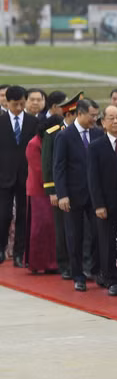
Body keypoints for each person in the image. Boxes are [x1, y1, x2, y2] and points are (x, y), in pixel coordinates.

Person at [54, 98, 103, 290]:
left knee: (99, 234)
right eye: (92, 115)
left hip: (95, 194)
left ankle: (96, 269)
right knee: (75, 235)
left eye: (96, 115)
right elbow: (59, 167)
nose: (94, 119)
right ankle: (78, 276)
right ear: (80, 113)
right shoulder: (65, 136)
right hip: (73, 195)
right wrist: (62, 194)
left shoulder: (98, 133)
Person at [87, 105, 117, 296]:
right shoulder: (96, 146)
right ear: (103, 122)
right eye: (111, 118)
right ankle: (110, 279)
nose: (116, 122)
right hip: (106, 203)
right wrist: (98, 204)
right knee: (106, 243)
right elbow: (93, 178)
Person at [42, 92, 81, 277]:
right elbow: (49, 164)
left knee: (83, 230)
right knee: (63, 229)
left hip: (81, 189)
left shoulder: (86, 132)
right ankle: (64, 264)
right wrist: (53, 191)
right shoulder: (54, 133)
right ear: (69, 114)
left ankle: (83, 264)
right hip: (61, 189)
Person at [0, 86, 38, 266]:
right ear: (7, 103)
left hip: (26, 176)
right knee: (4, 214)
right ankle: (1, 249)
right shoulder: (1, 122)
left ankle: (19, 253)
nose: (19, 108)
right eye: (15, 104)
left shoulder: (33, 122)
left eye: (22, 104)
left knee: (24, 215)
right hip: (3, 176)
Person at [24, 115, 60, 273]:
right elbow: (40, 171)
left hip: (50, 189)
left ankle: (52, 262)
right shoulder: (34, 144)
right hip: (39, 191)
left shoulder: (49, 141)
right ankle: (39, 262)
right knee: (41, 228)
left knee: (52, 228)